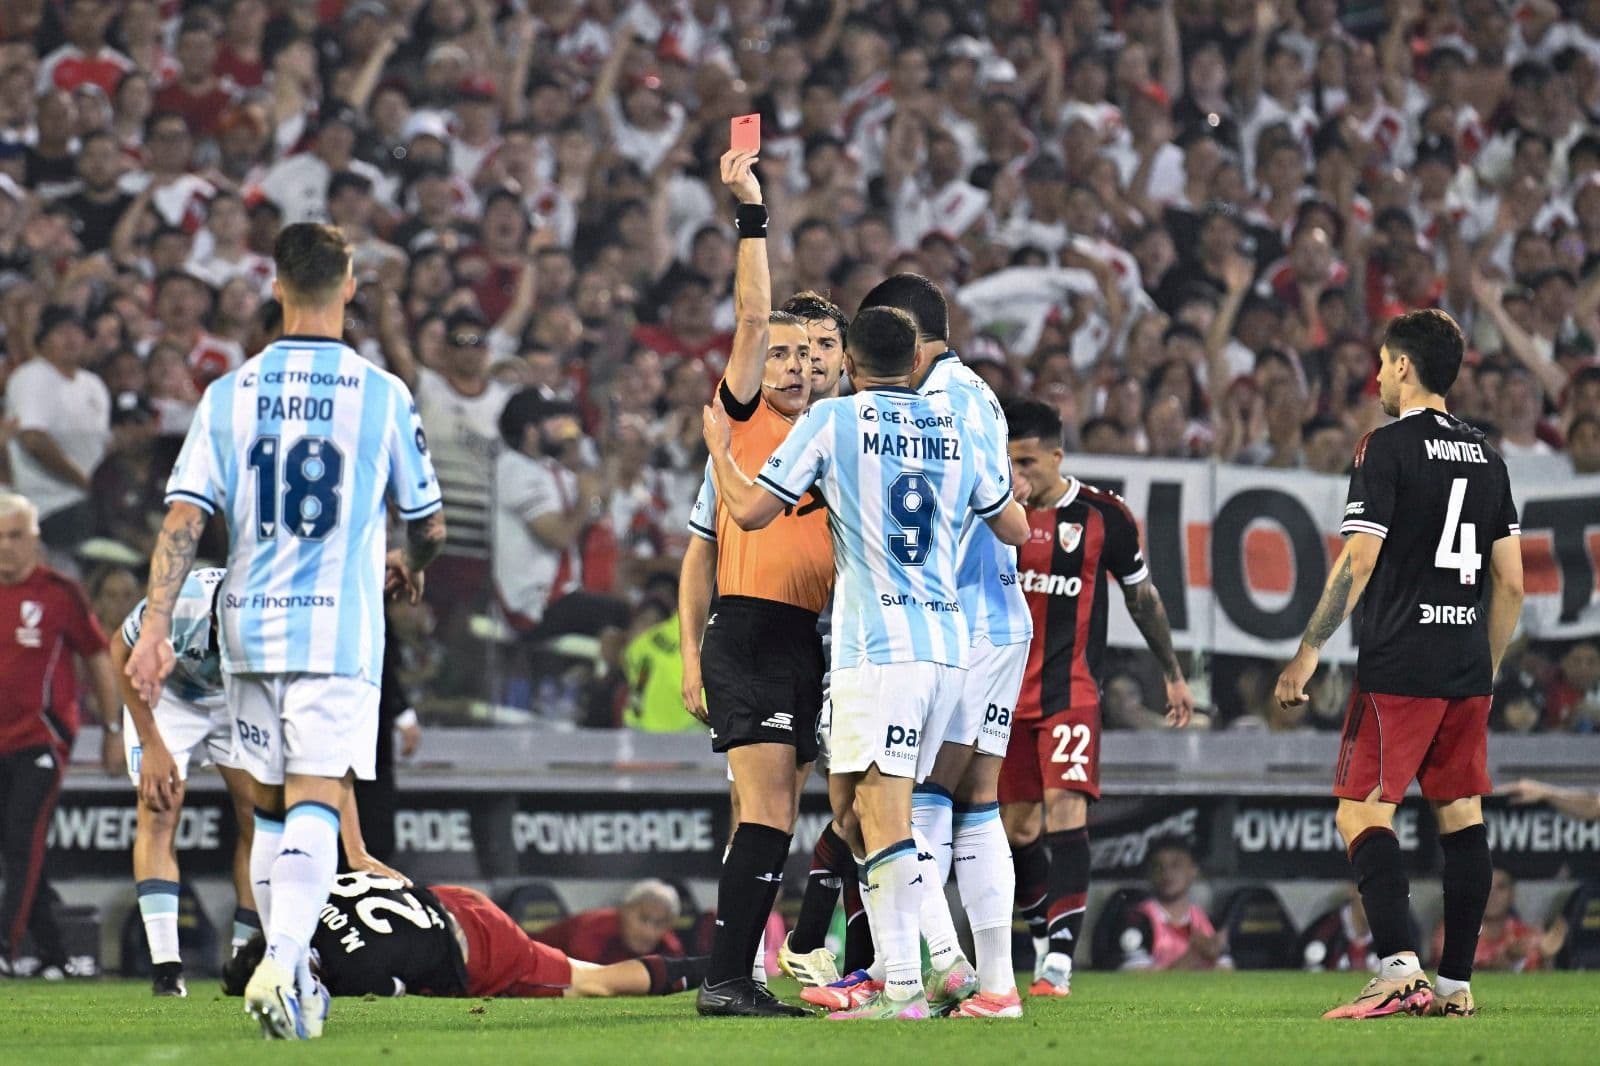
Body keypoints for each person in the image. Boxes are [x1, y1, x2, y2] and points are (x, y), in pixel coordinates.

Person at [125, 223, 446, 1040]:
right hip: (336, 633)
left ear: (276, 286)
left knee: (267, 811)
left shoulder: (227, 393)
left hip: (246, 629)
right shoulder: (383, 393)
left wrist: (156, 626)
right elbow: (430, 521)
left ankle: (288, 960)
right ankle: (286, 961)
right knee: (311, 797)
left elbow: (183, 519)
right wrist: (410, 560)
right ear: (349, 286)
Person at [705, 303, 1030, 1020]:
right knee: (852, 811)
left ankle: (905, 990)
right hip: (950, 645)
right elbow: (1016, 525)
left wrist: (724, 455)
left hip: (877, 648)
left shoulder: (836, 421)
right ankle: (940, 964)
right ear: (915, 360)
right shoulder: (958, 425)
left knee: (880, 813)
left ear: (848, 364)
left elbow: (754, 512)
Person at [1275, 309, 1524, 1021]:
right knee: (1461, 812)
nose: (1377, 376)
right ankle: (1454, 984)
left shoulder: (1384, 449)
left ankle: (1396, 969)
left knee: (1360, 811)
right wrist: (1489, 664)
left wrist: (1309, 648)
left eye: (1383, 363)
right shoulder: (1490, 459)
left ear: (1405, 367)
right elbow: (1511, 583)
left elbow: (1359, 557)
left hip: (1400, 662)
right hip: (1465, 664)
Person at [808, 273, 1035, 1020]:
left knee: (910, 799)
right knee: (958, 803)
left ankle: (922, 973)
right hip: (984, 615)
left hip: (948, 620)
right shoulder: (967, 392)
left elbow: (945, 504)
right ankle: (979, 982)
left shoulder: (935, 402)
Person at [680, 150, 832, 1019]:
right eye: (775, 352)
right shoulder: (746, 419)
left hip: (808, 636)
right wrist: (753, 215)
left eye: (807, 353)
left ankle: (748, 967)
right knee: (771, 808)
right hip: (749, 630)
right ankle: (728, 978)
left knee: (781, 813)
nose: (787, 364)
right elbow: (748, 314)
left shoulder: (836, 433)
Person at [113, 567, 400, 997]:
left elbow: (322, 758)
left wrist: (355, 849)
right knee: (160, 809)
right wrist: (152, 743)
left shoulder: (282, 637)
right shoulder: (178, 603)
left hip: (235, 698)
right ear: (215, 618)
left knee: (259, 809)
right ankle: (167, 972)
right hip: (167, 696)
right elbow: (121, 651)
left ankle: (247, 957)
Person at [1000, 398, 1196, 997]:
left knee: (1066, 809)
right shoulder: (990, 512)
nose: (1018, 476)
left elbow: (1143, 598)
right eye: (1010, 461)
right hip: (1002, 695)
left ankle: (1059, 958)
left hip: (1071, 693)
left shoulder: (1103, 515)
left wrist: (1172, 672)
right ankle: (1041, 933)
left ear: (1057, 456)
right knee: (1017, 829)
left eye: (1028, 462)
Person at [227, 870, 706, 1001]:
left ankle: (714, 971)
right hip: (453, 899)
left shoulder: (353, 973)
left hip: (479, 949)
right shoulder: (307, 896)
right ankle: (722, 967)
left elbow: (393, 991)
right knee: (588, 974)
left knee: (594, 983)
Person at [0, 492, 122, 979]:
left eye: (14, 536)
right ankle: (55, 953)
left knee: (19, 837)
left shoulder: (59, 592)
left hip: (41, 740)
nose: (5, 547)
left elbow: (96, 655)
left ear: (35, 539)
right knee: (21, 849)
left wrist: (113, 728)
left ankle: (7, 947)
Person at [5, 306, 112, 557]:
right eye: (61, 332)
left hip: (90, 502)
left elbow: (102, 446)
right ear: (43, 341)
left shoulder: (93, 384)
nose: (71, 338)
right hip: (50, 505)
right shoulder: (32, 376)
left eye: (77, 332)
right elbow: (34, 440)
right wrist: (84, 481)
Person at [1114, 838, 1232, 972]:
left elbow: (1226, 971)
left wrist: (1214, 957)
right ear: (1149, 874)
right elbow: (1135, 977)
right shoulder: (1136, 920)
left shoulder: (1208, 922)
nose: (1167, 873)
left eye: (1176, 865)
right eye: (1158, 866)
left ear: (1193, 870)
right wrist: (1195, 956)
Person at [534, 880, 685, 965]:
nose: (649, 932)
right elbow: (584, 980)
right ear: (624, 910)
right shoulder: (593, 932)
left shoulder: (669, 945)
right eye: (643, 919)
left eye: (659, 924)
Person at [1430, 868, 1549, 973]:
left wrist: (1546, 956)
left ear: (1512, 895)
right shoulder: (1453, 932)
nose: (1492, 894)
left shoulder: (1525, 935)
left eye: (1501, 887)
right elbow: (1449, 975)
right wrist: (1508, 957)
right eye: (1484, 885)